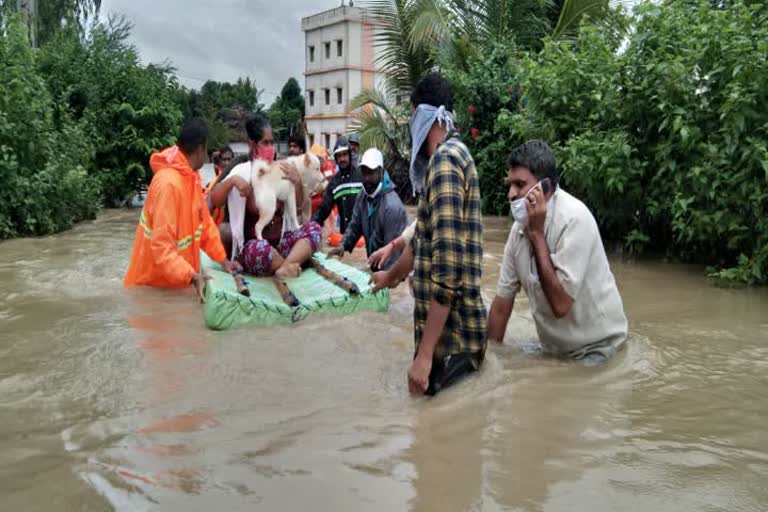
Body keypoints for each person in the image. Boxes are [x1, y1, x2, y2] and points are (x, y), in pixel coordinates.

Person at [370, 73, 487, 396]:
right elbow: (422, 239)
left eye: (410, 115)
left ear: (425, 114)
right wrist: (390, 277)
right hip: (450, 342)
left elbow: (448, 273)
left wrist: (423, 357)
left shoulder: (446, 163)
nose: (410, 125)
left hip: (452, 343)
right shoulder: (447, 159)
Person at [487, 140, 628, 363]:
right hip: (555, 351)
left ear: (546, 188)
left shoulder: (574, 220)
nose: (511, 194)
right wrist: (488, 363)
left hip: (598, 349)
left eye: (520, 184)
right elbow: (501, 308)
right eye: (510, 184)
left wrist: (537, 236)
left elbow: (561, 305)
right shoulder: (518, 233)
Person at [124, 118, 242, 300]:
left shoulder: (189, 177)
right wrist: (192, 276)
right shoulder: (169, 185)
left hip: (176, 284)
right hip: (151, 290)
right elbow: (161, 247)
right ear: (201, 148)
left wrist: (223, 261)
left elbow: (204, 225)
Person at [207, 114, 321, 278]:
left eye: (272, 142)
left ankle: (286, 265)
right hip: (254, 249)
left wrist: (297, 182)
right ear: (252, 145)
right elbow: (215, 199)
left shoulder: (282, 169)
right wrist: (232, 181)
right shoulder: (242, 171)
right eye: (265, 143)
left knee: (314, 229)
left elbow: (297, 209)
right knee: (260, 250)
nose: (270, 147)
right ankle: (288, 264)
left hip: (281, 244)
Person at [327, 148, 409, 270]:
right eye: (364, 173)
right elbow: (355, 225)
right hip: (375, 264)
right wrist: (343, 245)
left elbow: (393, 254)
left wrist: (385, 278)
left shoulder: (392, 207)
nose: (367, 178)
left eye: (371, 173)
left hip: (394, 271)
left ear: (381, 172)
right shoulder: (363, 196)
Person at [311, 136, 363, 234]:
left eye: (344, 154)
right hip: (346, 236)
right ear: (335, 158)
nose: (342, 159)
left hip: (364, 236)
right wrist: (311, 225)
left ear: (349, 155)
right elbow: (324, 209)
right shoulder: (334, 183)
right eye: (339, 156)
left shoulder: (361, 176)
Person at [204, 145, 234, 225]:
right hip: (215, 227)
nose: (227, 163)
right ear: (220, 161)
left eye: (229, 160)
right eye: (224, 160)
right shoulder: (214, 183)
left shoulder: (239, 179)